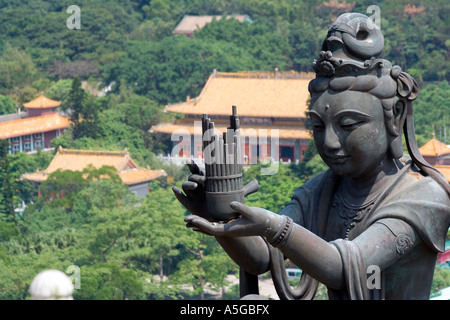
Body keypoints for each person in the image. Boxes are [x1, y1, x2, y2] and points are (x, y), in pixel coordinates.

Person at [173, 13, 450, 300]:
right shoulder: (323, 191)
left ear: (395, 117)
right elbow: (262, 258)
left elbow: (345, 268)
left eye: (348, 125)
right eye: (318, 126)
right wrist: (220, 216)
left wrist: (274, 226)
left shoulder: (423, 196)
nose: (330, 142)